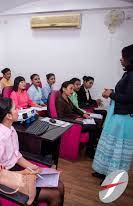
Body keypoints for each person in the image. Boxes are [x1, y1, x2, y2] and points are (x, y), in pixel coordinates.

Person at [0, 98, 64, 206]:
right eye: (15, 108)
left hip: (15, 170)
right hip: (7, 179)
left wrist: (34, 167)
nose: (19, 110)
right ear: (8, 116)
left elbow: (16, 156)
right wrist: (24, 173)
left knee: (60, 186)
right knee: (54, 194)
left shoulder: (11, 129)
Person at [92, 44, 133, 178]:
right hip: (119, 115)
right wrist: (112, 92)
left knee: (117, 148)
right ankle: (104, 171)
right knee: (110, 145)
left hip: (124, 117)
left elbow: (129, 97)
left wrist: (111, 94)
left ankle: (112, 176)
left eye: (123, 57)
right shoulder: (128, 73)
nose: (121, 59)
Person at [56, 81, 98, 158]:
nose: (72, 91)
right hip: (70, 123)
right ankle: (89, 150)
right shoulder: (60, 100)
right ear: (64, 89)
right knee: (93, 127)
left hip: (74, 119)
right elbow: (60, 117)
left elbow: (75, 108)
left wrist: (83, 114)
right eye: (70, 89)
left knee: (95, 121)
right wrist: (75, 119)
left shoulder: (67, 98)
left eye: (73, 89)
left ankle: (91, 146)